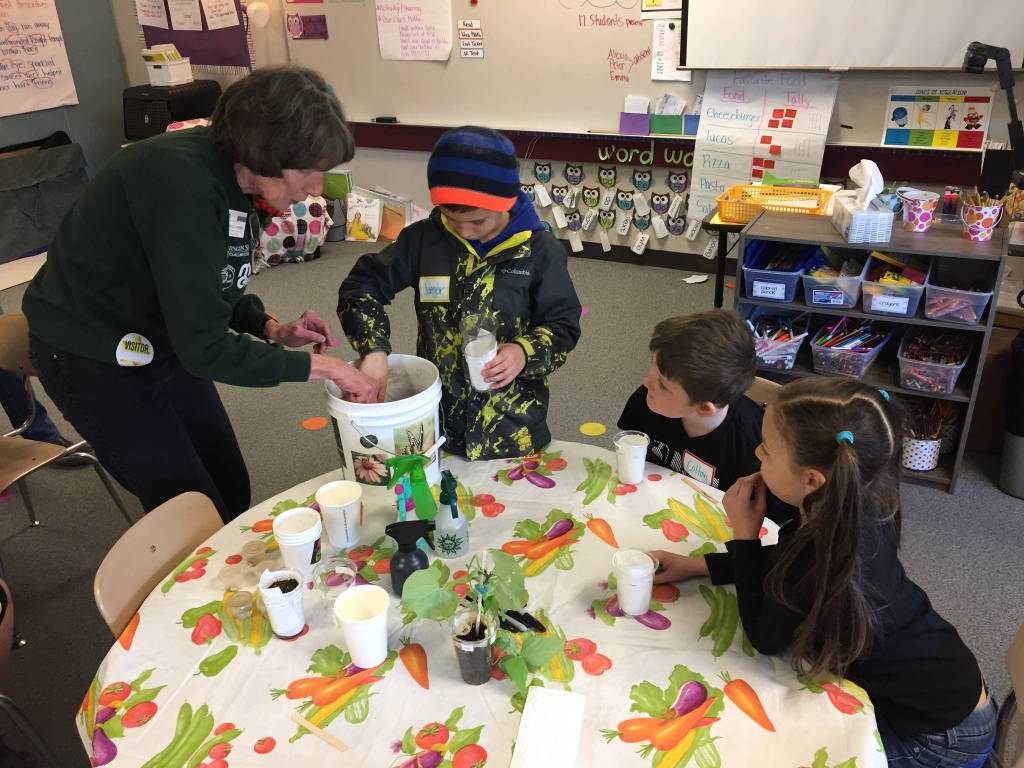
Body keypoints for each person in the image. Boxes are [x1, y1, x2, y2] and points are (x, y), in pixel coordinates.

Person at [22, 66, 375, 522]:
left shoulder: (243, 183)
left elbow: (211, 282)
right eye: (306, 171)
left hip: (164, 334)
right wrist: (324, 367)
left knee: (229, 486)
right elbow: (205, 349)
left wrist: (267, 326)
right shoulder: (180, 185)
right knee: (190, 510)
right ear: (261, 152)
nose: (316, 188)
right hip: (91, 352)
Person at [652, 378, 995, 766]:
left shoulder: (821, 550)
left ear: (811, 479)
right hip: (952, 685)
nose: (756, 452)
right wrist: (696, 565)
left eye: (766, 449)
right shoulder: (853, 502)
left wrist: (744, 533)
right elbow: (781, 563)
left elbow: (764, 636)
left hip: (940, 738)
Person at [338, 126, 581, 460]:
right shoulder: (424, 239)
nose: (465, 231)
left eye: (478, 222)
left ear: (506, 202)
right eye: (452, 219)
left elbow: (563, 326)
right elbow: (361, 287)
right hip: (439, 424)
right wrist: (374, 351)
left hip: (513, 430)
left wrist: (524, 352)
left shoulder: (540, 251)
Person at [618, 310, 767, 493]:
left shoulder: (754, 447)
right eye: (652, 364)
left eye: (664, 385)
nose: (646, 382)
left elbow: (766, 517)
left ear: (704, 408)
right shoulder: (647, 399)